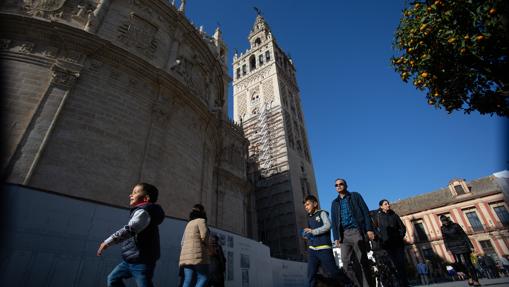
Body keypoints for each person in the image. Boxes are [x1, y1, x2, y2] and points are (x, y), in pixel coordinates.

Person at [97, 183, 165, 287]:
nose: (130, 195)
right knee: (112, 279)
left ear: (146, 198)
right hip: (130, 260)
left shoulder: (144, 212)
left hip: (142, 261)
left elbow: (129, 230)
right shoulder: (141, 211)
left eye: (135, 193)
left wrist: (107, 242)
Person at [331, 178, 374, 287]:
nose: (338, 186)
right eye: (336, 185)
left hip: (356, 231)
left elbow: (365, 212)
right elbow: (334, 221)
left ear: (346, 185)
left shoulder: (355, 196)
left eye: (341, 184)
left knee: (362, 261)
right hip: (343, 235)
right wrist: (336, 237)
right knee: (345, 263)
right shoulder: (334, 203)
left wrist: (369, 229)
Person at [303, 195, 343, 287]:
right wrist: (307, 235)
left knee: (333, 272)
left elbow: (328, 226)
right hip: (312, 249)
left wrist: (313, 231)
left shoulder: (322, 213)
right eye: (305, 206)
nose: (306, 207)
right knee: (311, 274)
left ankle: (349, 284)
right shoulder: (309, 217)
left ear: (315, 204)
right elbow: (311, 232)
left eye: (308, 204)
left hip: (324, 248)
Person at [374, 199, 408, 286]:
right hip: (387, 245)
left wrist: (400, 236)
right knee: (393, 265)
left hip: (398, 243)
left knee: (401, 264)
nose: (388, 205)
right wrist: (381, 238)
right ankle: (397, 283)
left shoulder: (394, 215)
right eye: (386, 204)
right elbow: (375, 229)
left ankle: (404, 283)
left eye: (388, 203)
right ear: (381, 206)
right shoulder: (377, 217)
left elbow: (402, 227)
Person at [440, 215, 480, 286]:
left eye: (445, 220)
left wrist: (470, 246)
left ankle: (476, 280)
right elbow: (445, 239)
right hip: (453, 247)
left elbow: (464, 235)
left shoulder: (455, 225)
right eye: (443, 221)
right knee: (458, 263)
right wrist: (447, 249)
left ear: (448, 220)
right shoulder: (442, 228)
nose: (445, 222)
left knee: (469, 263)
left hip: (463, 245)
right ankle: (469, 277)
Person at [180, 204, 210, 287]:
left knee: (187, 280)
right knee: (203, 277)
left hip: (186, 257)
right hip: (198, 255)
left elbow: (182, 241)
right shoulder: (201, 221)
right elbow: (205, 237)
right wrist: (208, 247)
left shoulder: (188, 224)